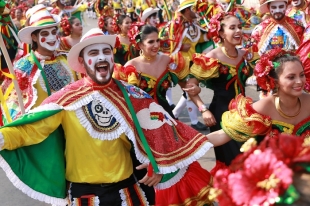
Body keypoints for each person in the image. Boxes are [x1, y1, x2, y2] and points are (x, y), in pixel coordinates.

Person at [0, 27, 230, 206]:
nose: (102, 57)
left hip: (128, 189)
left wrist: (157, 164)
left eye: (106, 52)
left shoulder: (132, 94)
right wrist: (3, 138)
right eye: (93, 53)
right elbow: (30, 130)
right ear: (81, 62)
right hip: (84, 193)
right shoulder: (67, 98)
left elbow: (166, 135)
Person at [205, 48, 310, 205]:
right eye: (291, 77)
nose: (299, 81)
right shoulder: (264, 107)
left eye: (302, 75)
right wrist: (187, 144)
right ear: (275, 81)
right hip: (274, 183)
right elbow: (223, 134)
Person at [185, 12, 258, 165]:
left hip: (245, 113)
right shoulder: (212, 57)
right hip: (222, 114)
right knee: (232, 161)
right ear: (221, 33)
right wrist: (203, 110)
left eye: (239, 27)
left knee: (250, 158)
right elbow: (190, 85)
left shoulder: (246, 55)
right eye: (232, 28)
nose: (238, 31)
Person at [1, 4, 78, 123]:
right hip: (44, 133)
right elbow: (13, 107)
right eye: (45, 34)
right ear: (34, 38)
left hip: (73, 124)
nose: (52, 37)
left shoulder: (67, 58)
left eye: (54, 32)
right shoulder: (24, 67)